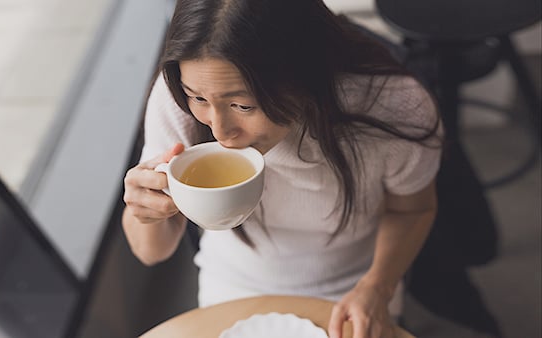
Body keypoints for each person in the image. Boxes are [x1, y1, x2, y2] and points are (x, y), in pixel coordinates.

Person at [122, 1, 443, 337]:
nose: (220, 131)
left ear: (306, 73)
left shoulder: (393, 108)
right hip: (233, 285)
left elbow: (413, 210)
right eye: (198, 99)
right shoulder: (176, 102)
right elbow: (150, 251)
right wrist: (144, 210)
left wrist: (378, 286)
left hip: (354, 290)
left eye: (243, 105)